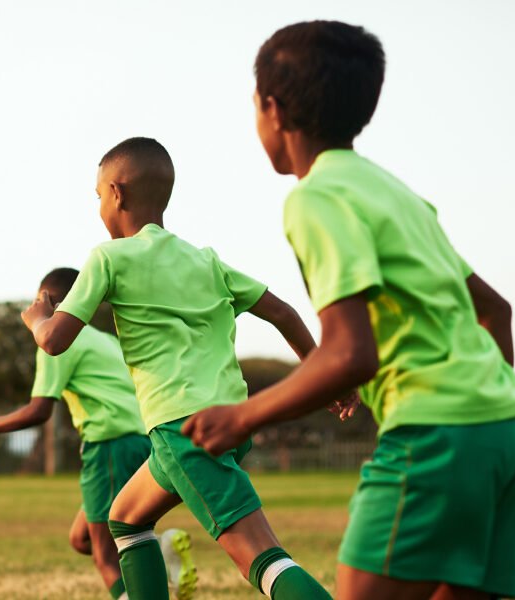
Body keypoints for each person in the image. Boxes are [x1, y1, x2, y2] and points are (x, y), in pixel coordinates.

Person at [185, 20, 515, 599]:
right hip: (509, 430)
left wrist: (243, 416)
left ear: (272, 110)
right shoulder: (397, 193)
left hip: (435, 432)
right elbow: (495, 311)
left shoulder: (316, 198)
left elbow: (350, 353)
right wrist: (485, 412)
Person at [21, 137, 339, 599]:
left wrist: (38, 319)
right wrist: (323, 375)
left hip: (182, 427)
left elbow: (54, 341)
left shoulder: (109, 257)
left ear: (116, 194)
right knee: (126, 519)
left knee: (262, 557)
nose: (99, 207)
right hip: (228, 422)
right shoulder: (205, 259)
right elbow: (284, 313)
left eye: (98, 196)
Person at [0, 267, 197, 600]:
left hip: (110, 444)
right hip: (142, 440)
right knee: (82, 538)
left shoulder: (56, 340)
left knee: (106, 555)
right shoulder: (107, 340)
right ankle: (163, 550)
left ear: (47, 300)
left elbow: (39, 410)